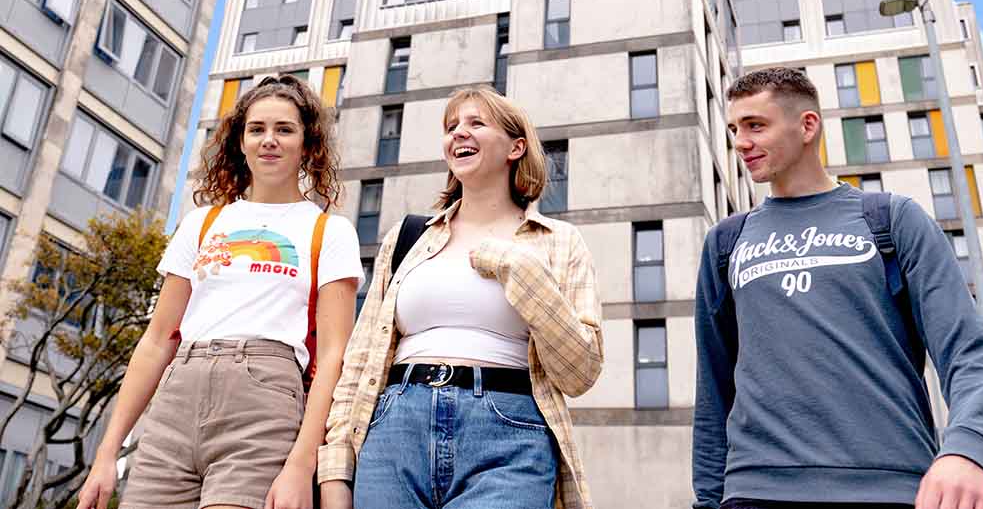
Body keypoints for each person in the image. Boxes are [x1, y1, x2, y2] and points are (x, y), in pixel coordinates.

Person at [692, 67, 983, 509]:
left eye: (755, 125)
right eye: (734, 128)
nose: (740, 141)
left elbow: (970, 351)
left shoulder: (891, 221)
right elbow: (713, 389)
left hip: (890, 487)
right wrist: (708, 500)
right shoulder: (726, 242)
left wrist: (967, 447)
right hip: (756, 491)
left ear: (807, 126)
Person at [77, 75, 364, 509]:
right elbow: (156, 342)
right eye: (257, 129)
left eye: (284, 129)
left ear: (308, 144)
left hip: (263, 401)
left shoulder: (329, 231)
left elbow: (332, 358)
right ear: (241, 142)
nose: (270, 140)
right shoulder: (202, 223)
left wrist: (301, 465)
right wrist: (106, 453)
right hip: (175, 401)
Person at [318, 86, 602, 509]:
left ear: (516, 147)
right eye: (452, 127)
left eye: (476, 123)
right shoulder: (408, 237)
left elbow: (580, 372)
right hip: (394, 427)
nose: (458, 134)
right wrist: (335, 470)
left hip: (509, 432)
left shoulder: (559, 242)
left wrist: (523, 274)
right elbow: (359, 361)